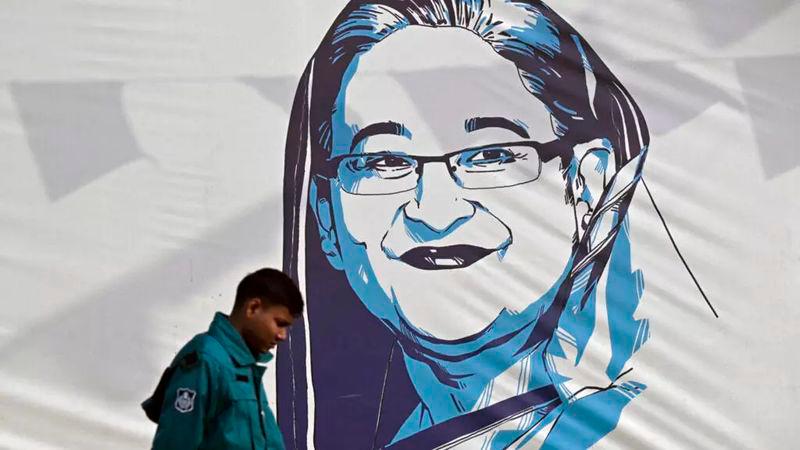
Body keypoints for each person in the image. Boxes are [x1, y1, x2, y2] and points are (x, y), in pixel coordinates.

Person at [278, 1, 650, 448]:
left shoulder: (633, 421)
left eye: (490, 154)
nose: (434, 212)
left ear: (586, 184)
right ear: (327, 218)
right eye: (384, 160)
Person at [142, 268, 303, 450]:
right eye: (280, 324)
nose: (283, 335)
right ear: (253, 308)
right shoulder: (205, 360)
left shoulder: (243, 365)